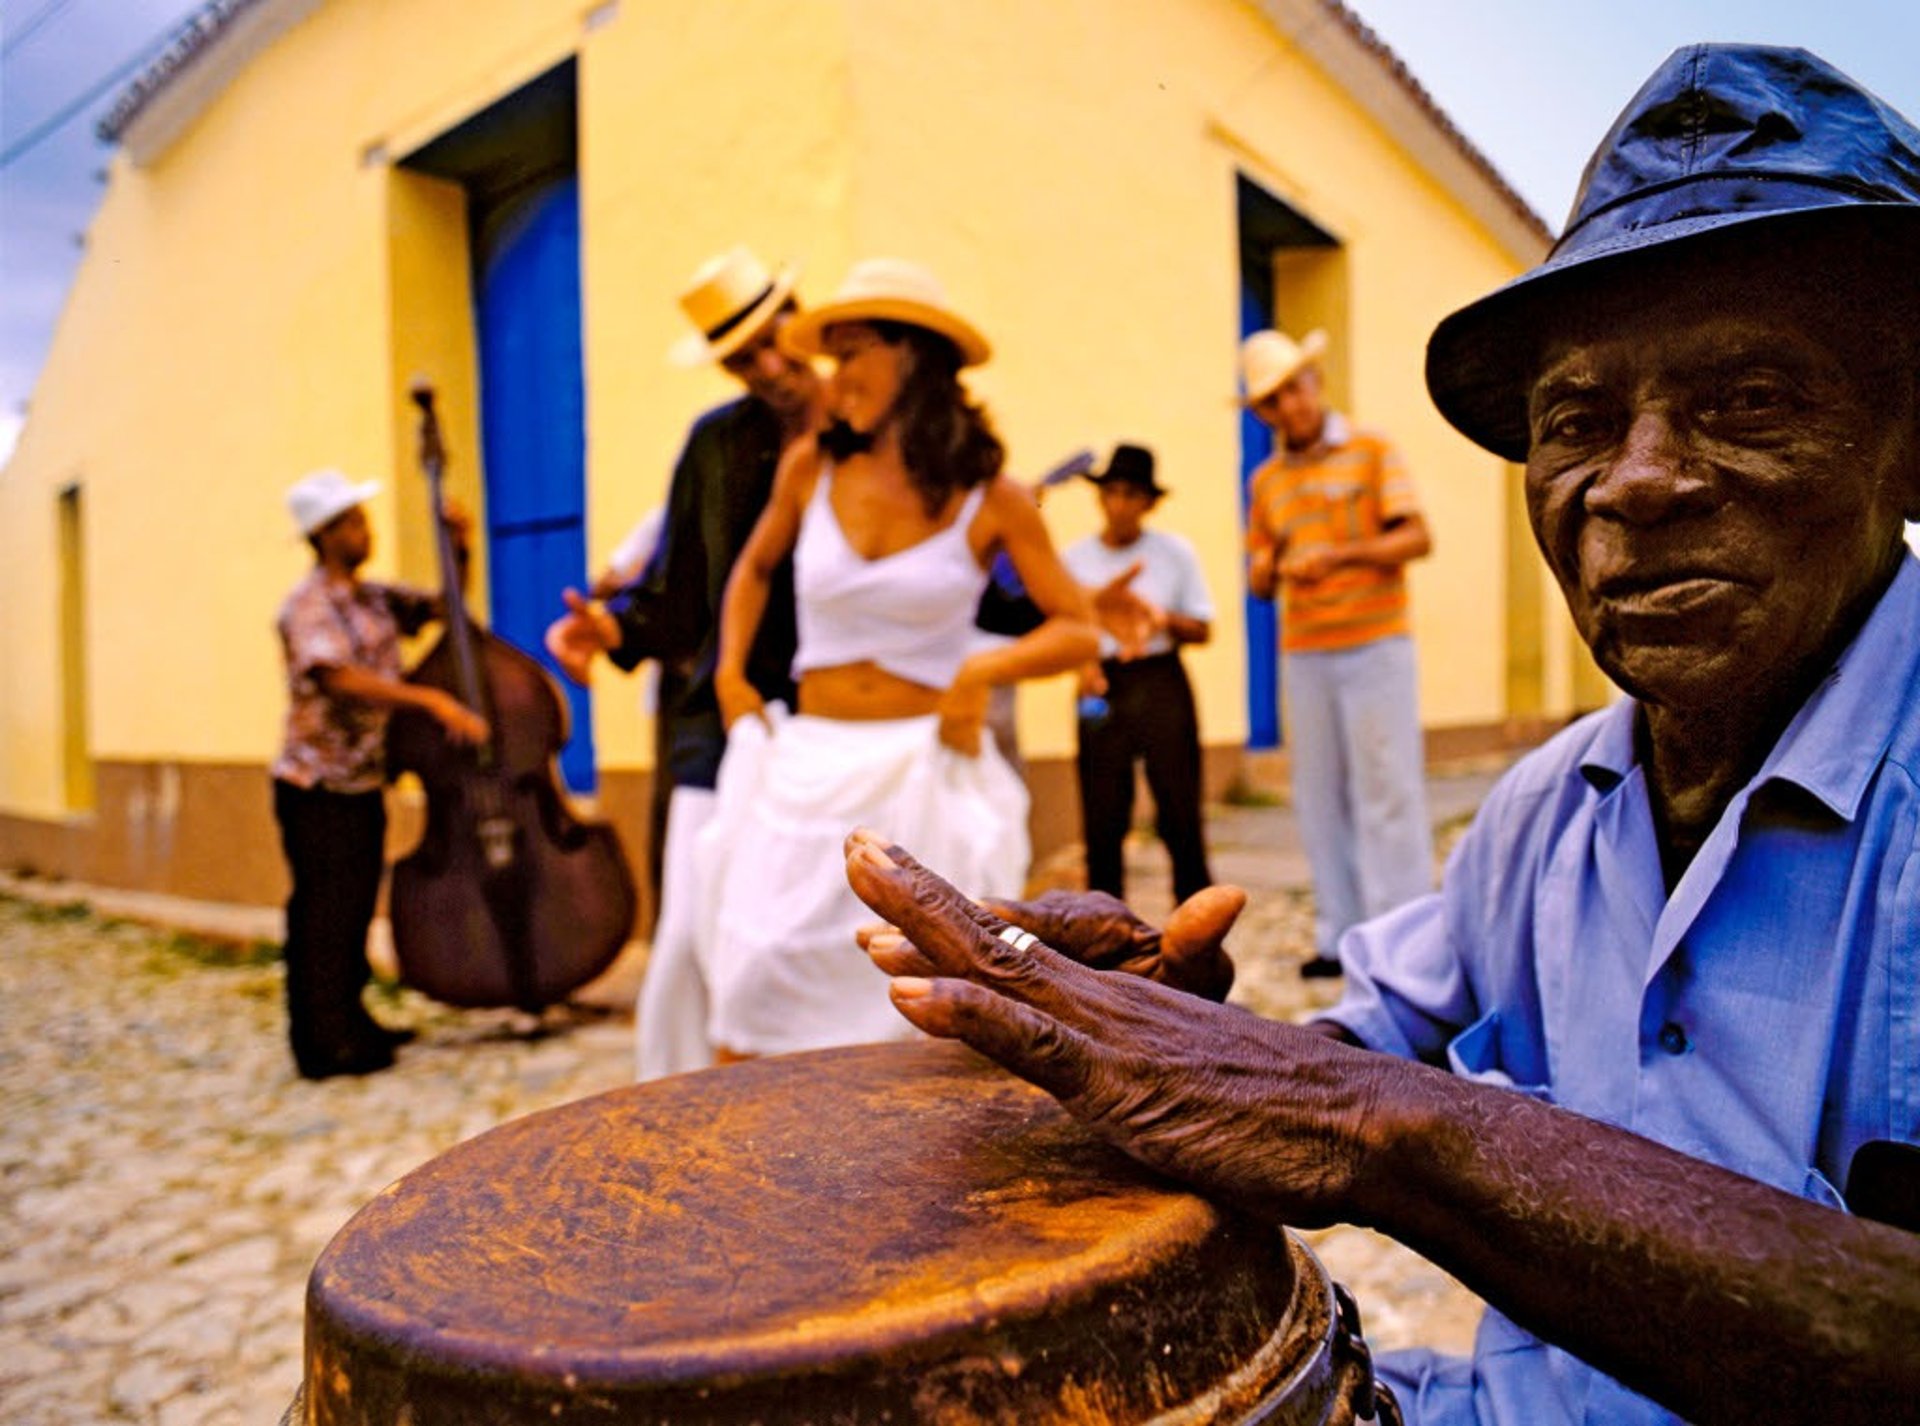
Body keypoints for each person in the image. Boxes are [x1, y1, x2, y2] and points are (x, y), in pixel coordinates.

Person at [842, 44, 1920, 1426]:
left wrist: (1378, 1131)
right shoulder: (1547, 811)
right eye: (1578, 421)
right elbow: (1364, 1049)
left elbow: (1365, 1106)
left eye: (1751, 401)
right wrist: (1176, 1034)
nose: (1639, 481)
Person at [704, 256, 1098, 1061]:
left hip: (923, 770)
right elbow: (754, 568)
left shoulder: (991, 495)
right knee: (755, 978)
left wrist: (978, 674)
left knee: (924, 1002)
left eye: (851, 352)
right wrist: (730, 673)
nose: (834, 374)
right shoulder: (810, 466)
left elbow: (1079, 629)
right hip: (808, 765)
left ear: (912, 356)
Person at [544, 245, 824, 1079]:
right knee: (691, 939)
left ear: (800, 316)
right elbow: (678, 596)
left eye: (772, 341)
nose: (765, 367)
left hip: (842, 723)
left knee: (818, 941)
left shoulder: (872, 428)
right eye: (741, 359)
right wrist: (610, 629)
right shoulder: (714, 445)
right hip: (721, 724)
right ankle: (689, 1110)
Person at [271, 469, 487, 1079]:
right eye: (354, 523)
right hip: (316, 785)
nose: (367, 532)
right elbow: (338, 678)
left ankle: (352, 1018)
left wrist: (459, 548)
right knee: (322, 913)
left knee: (355, 908)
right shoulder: (307, 606)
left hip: (363, 781)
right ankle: (319, 1042)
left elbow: (444, 608)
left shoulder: (372, 598)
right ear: (325, 534)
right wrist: (430, 701)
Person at [1242, 326, 1434, 977]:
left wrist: (1340, 556)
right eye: (1271, 400)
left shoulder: (1372, 449)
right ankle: (1339, 936)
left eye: (1293, 389)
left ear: (1315, 382)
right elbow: (1259, 572)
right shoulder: (1266, 481)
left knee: (1388, 788)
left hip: (1376, 642)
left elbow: (1416, 537)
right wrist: (1270, 567)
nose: (1288, 406)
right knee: (1318, 794)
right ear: (1262, 412)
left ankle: (1404, 936)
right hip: (1305, 650)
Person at [1061, 443, 1215, 903]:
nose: (1120, 504)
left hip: (1160, 676)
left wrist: (1162, 619)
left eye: (1131, 494)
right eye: (1112, 492)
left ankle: (1195, 912)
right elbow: (1062, 628)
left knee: (1179, 804)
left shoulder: (1174, 553)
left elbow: (1203, 627)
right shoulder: (1074, 559)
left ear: (1148, 503)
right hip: (1102, 681)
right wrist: (1084, 665)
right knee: (1102, 810)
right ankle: (1104, 921)